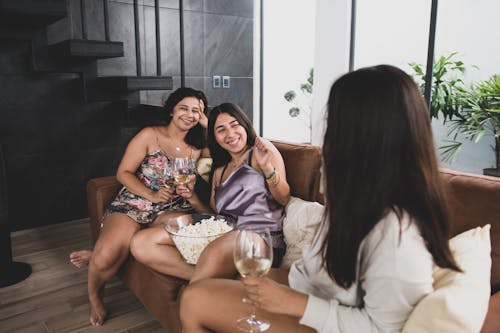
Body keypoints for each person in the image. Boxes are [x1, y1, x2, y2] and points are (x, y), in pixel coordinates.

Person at [178, 65, 462, 333]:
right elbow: (313, 275)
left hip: (325, 319)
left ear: (367, 137)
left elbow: (381, 328)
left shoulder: (399, 232)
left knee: (195, 300)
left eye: (333, 123)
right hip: (309, 293)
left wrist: (293, 303)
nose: (326, 140)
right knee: (198, 292)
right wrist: (266, 281)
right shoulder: (356, 202)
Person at [70, 87, 208, 326]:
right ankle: (95, 295)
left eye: (196, 111)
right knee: (106, 256)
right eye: (184, 108)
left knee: (190, 231)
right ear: (172, 110)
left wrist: (206, 123)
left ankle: (117, 249)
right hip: (134, 202)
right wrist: (151, 194)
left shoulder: (198, 148)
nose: (190, 114)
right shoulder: (149, 135)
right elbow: (123, 173)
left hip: (172, 208)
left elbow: (215, 157)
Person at [130, 102, 290, 282]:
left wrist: (267, 167)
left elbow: (283, 198)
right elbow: (215, 215)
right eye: (221, 129)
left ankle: (201, 286)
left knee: (215, 252)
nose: (230, 134)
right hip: (224, 234)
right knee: (142, 242)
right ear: (215, 137)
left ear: (245, 126)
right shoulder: (219, 171)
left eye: (235, 125)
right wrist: (192, 197)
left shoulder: (260, 153)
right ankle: (212, 278)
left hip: (258, 239)